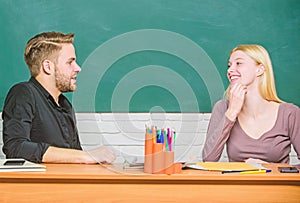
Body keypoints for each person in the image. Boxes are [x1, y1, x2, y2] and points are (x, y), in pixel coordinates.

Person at [2, 31, 116, 164]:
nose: (78, 68)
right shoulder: (23, 93)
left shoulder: (65, 105)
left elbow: (73, 157)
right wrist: (85, 156)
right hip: (39, 184)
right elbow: (16, 148)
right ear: (48, 67)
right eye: (70, 62)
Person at [202, 44, 300, 164]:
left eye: (238, 63)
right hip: (238, 183)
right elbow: (208, 159)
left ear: (260, 70)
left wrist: (269, 169)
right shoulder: (223, 108)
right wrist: (232, 112)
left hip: (275, 182)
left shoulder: (290, 113)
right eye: (229, 65)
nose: (230, 70)